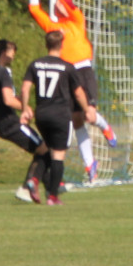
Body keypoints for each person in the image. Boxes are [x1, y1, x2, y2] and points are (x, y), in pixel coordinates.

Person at [28, 0, 116, 183]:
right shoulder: (53, 27)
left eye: (61, 3)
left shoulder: (77, 20)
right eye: (57, 3)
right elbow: (34, 10)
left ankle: (106, 128)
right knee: (77, 121)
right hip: (67, 74)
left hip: (83, 70)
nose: (60, 4)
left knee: (90, 116)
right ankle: (90, 164)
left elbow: (69, 2)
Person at [20, 30, 92, 205]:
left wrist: (24, 108)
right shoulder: (68, 67)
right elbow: (79, 92)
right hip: (61, 115)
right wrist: (87, 109)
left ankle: (34, 179)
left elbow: (25, 88)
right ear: (62, 45)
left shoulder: (35, 64)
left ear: (46, 44)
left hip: (42, 114)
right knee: (58, 155)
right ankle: (53, 196)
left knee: (46, 148)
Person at [0, 39, 49, 204]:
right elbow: (8, 100)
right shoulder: (3, 72)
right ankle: (27, 188)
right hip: (10, 122)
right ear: (5, 52)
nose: (14, 55)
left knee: (40, 150)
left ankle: (50, 184)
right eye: (12, 51)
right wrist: (25, 107)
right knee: (44, 149)